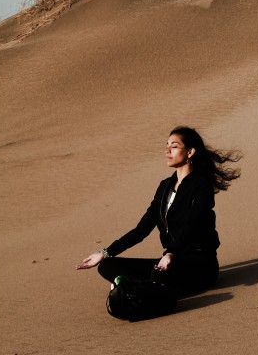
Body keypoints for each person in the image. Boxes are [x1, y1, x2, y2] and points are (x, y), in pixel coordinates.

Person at [76, 127, 241, 298]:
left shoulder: (201, 185)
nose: (167, 150)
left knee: (159, 275)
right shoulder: (165, 187)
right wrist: (104, 253)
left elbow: (191, 225)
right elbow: (141, 230)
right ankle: (141, 288)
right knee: (107, 266)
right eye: (167, 145)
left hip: (198, 264)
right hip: (170, 262)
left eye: (174, 146)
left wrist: (171, 253)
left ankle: (138, 288)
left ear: (190, 152)